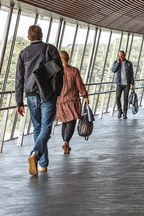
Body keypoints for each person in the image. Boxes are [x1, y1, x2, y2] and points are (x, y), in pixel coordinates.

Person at [15, 25, 63, 176]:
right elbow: (60, 72)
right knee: (46, 127)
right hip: (47, 93)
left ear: (29, 37)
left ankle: (42, 164)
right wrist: (58, 91)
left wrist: (19, 102)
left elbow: (19, 79)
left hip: (30, 95)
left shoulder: (23, 53)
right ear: (42, 35)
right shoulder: (50, 49)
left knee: (37, 128)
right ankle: (36, 155)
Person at [55, 50, 89, 154]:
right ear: (68, 58)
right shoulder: (74, 71)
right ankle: (66, 142)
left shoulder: (56, 72)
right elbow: (80, 85)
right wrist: (85, 96)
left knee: (64, 122)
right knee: (71, 122)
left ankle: (66, 144)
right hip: (72, 100)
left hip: (60, 101)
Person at [111, 50, 135, 119]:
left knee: (125, 99)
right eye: (120, 56)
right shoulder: (116, 62)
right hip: (119, 83)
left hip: (126, 84)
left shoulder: (129, 63)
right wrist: (118, 63)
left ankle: (125, 113)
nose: (121, 57)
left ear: (124, 55)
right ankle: (119, 111)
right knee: (117, 97)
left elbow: (131, 74)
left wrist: (132, 83)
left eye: (122, 55)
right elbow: (113, 70)